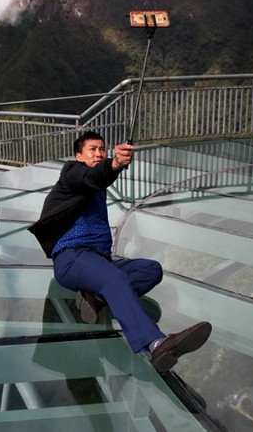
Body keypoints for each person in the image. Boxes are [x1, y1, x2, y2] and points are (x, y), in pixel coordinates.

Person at [29, 131, 211, 373]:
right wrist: (114, 163)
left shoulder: (96, 186)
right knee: (112, 278)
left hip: (97, 261)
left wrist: (112, 166)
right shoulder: (70, 174)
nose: (98, 153)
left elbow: (99, 178)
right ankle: (154, 344)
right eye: (92, 149)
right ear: (78, 156)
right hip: (72, 258)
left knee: (150, 270)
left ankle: (97, 298)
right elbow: (92, 176)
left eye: (102, 149)